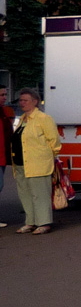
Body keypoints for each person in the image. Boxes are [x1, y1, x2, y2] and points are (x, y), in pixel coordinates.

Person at [11, 88, 61, 235]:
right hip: (21, 164)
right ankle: (30, 222)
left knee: (39, 194)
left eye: (25, 100)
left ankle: (44, 223)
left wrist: (49, 156)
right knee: (25, 194)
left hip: (38, 164)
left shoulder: (43, 119)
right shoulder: (22, 119)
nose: (22, 103)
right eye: (20, 100)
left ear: (35, 101)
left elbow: (54, 141)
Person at [0, 87, 15, 228]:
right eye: (1, 95)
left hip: (3, 156)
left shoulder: (5, 111)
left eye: (5, 94)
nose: (4, 97)